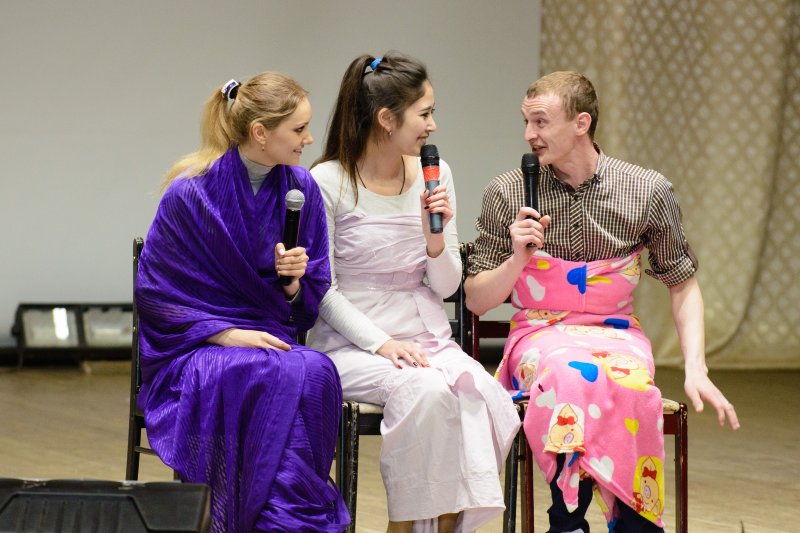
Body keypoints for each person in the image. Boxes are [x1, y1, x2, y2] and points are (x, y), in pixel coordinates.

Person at [465, 71, 740, 532]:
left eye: (540, 121)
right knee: (567, 372)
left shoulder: (645, 190)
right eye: (526, 121)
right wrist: (517, 258)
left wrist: (697, 367)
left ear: (581, 123)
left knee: (634, 386)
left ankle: (633, 520)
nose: (529, 134)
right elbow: (476, 300)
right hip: (540, 335)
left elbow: (682, 283)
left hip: (615, 336)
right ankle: (567, 518)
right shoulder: (508, 191)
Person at [307, 51, 520, 533]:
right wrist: (382, 344)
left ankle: (445, 524)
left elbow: (446, 285)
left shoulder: (435, 172)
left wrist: (434, 238)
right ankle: (403, 525)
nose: (433, 125)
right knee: (424, 390)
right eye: (424, 114)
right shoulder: (328, 180)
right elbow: (323, 291)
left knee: (481, 392)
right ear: (387, 119)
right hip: (350, 342)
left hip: (424, 336)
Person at [135, 73, 349, 532]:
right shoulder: (189, 194)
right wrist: (226, 334)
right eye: (299, 129)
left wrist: (293, 284)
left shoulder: (301, 189)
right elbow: (156, 296)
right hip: (197, 348)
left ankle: (279, 518)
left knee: (316, 370)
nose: (310, 139)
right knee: (258, 371)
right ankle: (282, 522)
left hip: (270, 339)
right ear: (260, 133)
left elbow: (307, 306)